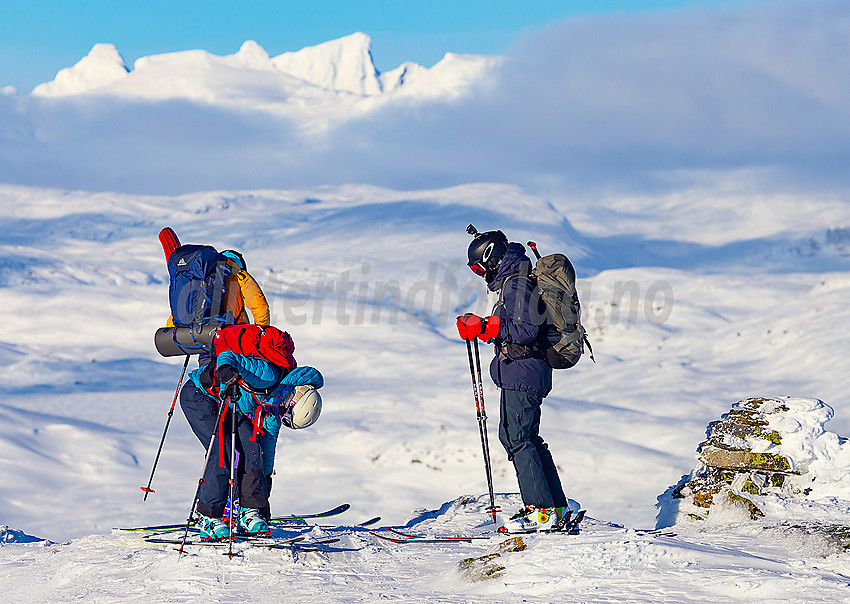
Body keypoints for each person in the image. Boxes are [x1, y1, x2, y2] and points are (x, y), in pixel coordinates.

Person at [458, 228, 576, 532]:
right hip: (525, 370)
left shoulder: (517, 284)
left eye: (479, 268)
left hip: (523, 371)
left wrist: (485, 326)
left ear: (492, 259)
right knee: (526, 437)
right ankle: (555, 508)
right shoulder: (515, 282)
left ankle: (542, 511)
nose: (480, 274)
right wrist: (486, 328)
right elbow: (516, 328)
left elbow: (524, 330)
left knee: (516, 437)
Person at [179, 347, 324, 540]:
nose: (283, 416)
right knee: (222, 450)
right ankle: (209, 516)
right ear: (294, 400)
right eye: (287, 414)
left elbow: (267, 448)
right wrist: (225, 369)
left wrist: (263, 493)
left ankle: (249, 513)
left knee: (253, 446)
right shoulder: (268, 375)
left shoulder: (275, 406)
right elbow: (228, 356)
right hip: (199, 395)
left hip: (230, 405)